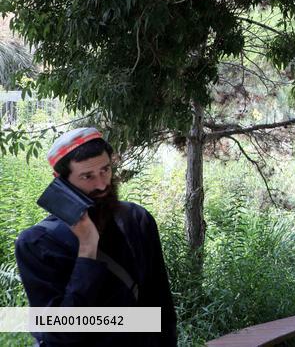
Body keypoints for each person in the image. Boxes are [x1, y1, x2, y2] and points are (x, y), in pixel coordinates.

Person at [14, 127, 177, 346]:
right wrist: (87, 249)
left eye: (105, 170)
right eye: (87, 176)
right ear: (60, 179)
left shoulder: (136, 219)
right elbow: (59, 336)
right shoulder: (37, 243)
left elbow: (161, 309)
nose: (102, 184)